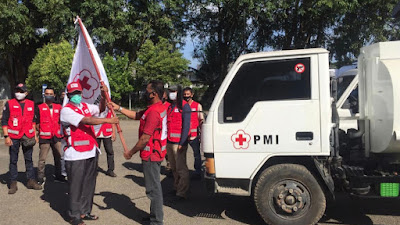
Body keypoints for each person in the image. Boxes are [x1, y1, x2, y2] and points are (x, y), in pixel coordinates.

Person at [109, 80, 167, 225]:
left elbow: (145, 139)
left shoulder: (154, 112)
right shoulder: (155, 107)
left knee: (153, 190)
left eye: (147, 90)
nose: (144, 93)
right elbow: (136, 115)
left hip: (152, 155)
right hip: (155, 153)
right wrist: (119, 108)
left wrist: (131, 153)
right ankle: (154, 216)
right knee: (154, 188)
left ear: (153, 93)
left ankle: (157, 221)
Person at [60, 81, 118, 225]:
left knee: (88, 185)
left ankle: (85, 211)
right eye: (73, 94)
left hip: (90, 152)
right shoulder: (66, 111)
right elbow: (87, 121)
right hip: (75, 154)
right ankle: (75, 215)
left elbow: (99, 108)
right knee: (76, 186)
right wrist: (108, 120)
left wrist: (104, 97)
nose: (76, 96)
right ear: (68, 95)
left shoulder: (85, 106)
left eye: (78, 93)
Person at [1, 83, 42, 194]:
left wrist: (34, 135)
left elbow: (33, 121)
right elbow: (4, 121)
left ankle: (31, 180)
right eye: (17, 90)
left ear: (26, 93)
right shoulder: (9, 104)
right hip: (13, 136)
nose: (18, 93)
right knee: (13, 160)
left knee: (29, 159)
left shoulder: (31, 104)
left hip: (27, 135)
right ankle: (13, 182)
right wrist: (6, 136)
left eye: (21, 91)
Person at [36, 87, 66, 185]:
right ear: (44, 94)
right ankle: (40, 177)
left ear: (54, 95)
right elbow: (37, 123)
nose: (49, 95)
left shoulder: (59, 107)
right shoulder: (39, 107)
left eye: (51, 94)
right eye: (47, 93)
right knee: (42, 159)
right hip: (45, 137)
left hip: (56, 136)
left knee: (58, 157)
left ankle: (59, 175)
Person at [166, 85, 191, 200]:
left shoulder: (184, 107)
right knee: (174, 168)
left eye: (174, 91)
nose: (171, 93)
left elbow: (186, 127)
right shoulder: (170, 106)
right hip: (170, 142)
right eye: (170, 91)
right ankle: (176, 187)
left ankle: (182, 192)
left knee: (181, 169)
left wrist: (182, 142)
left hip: (179, 143)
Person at [183, 87, 204, 179]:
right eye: (185, 94)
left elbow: (201, 120)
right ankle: (183, 172)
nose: (186, 96)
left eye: (188, 94)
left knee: (196, 154)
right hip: (183, 136)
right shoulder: (181, 106)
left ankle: (197, 172)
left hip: (194, 136)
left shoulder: (197, 105)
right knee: (181, 155)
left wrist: (202, 134)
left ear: (192, 94)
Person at [94, 108, 117, 177]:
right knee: (95, 153)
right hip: (96, 133)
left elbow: (113, 121)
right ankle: (94, 170)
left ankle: (110, 170)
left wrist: (113, 132)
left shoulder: (110, 109)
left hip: (107, 133)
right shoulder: (95, 108)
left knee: (110, 151)